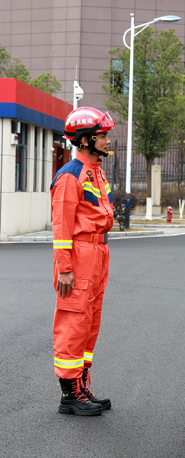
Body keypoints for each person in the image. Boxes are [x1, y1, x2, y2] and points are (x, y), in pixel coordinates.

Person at [50, 107, 116, 416]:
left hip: (98, 252)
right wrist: (65, 268)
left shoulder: (96, 171)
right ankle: (69, 394)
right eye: (102, 135)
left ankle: (81, 383)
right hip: (78, 255)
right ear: (86, 139)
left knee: (90, 322)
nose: (107, 140)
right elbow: (62, 227)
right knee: (73, 321)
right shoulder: (70, 175)